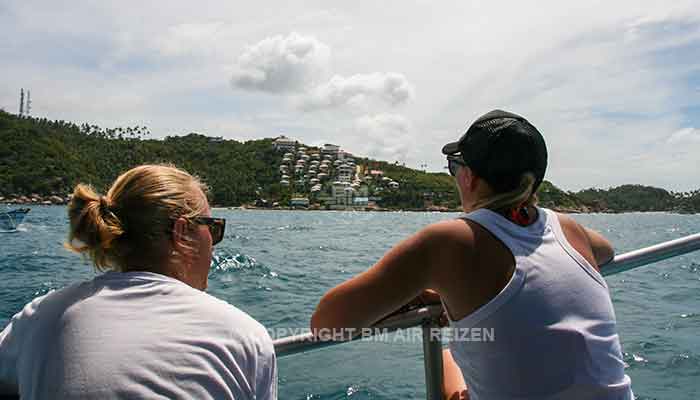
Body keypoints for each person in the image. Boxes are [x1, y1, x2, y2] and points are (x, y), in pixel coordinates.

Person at [311, 110, 633, 399]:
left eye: (455, 166)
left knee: (447, 355)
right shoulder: (568, 229)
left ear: (471, 177)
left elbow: (326, 322)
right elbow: (605, 251)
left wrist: (426, 295)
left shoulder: (448, 241)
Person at [0, 164, 277, 399]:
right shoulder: (244, 337)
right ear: (182, 233)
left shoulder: (36, 318)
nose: (214, 243)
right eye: (213, 228)